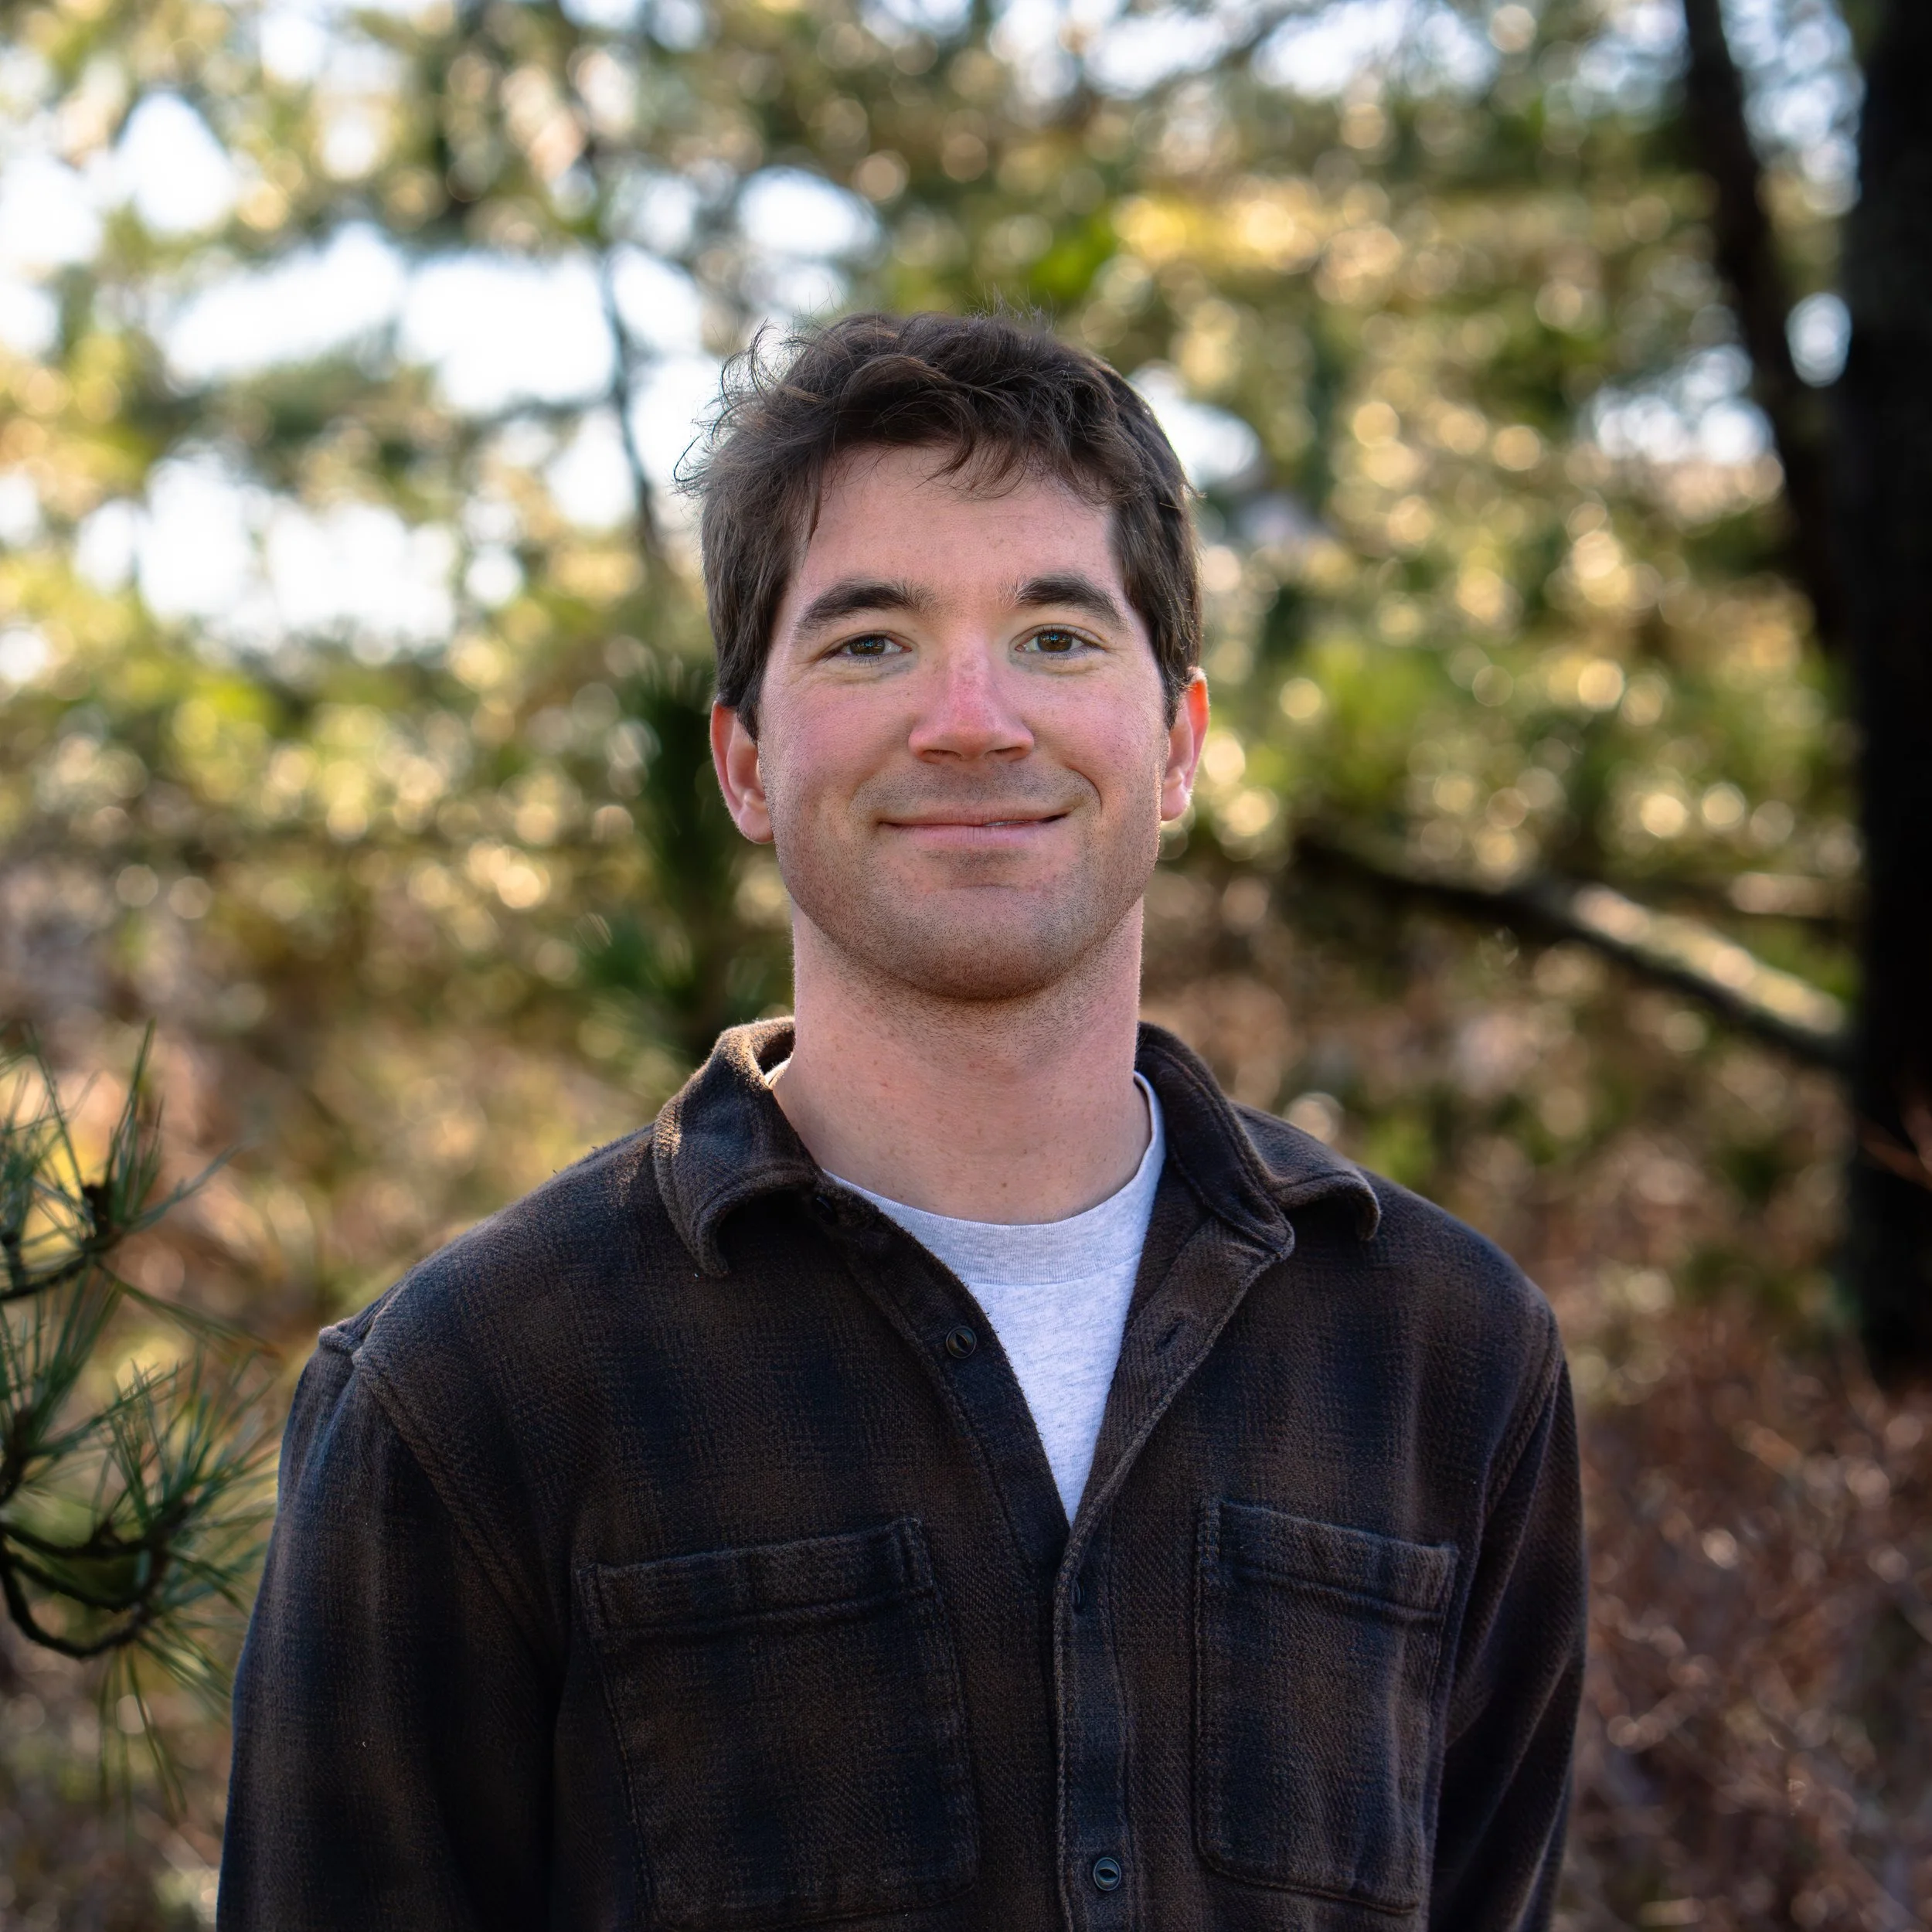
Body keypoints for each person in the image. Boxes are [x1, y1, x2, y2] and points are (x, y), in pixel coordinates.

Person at [219, 311, 1584, 1932]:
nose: (971, 720)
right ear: (743, 761)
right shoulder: (468, 1391)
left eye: (1056, 636)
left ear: (1177, 745)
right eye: (869, 642)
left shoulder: (1445, 1355)